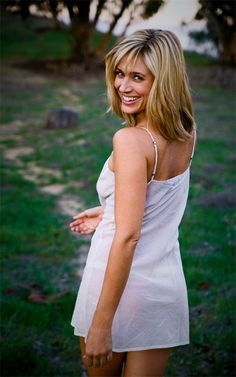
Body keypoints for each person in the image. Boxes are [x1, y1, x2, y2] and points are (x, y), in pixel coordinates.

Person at [70, 29, 196, 377]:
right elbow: (158, 201)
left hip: (118, 291)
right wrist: (108, 210)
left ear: (163, 81)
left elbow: (127, 237)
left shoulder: (130, 141)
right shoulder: (187, 131)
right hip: (163, 287)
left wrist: (101, 323)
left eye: (138, 77)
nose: (123, 86)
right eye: (119, 74)